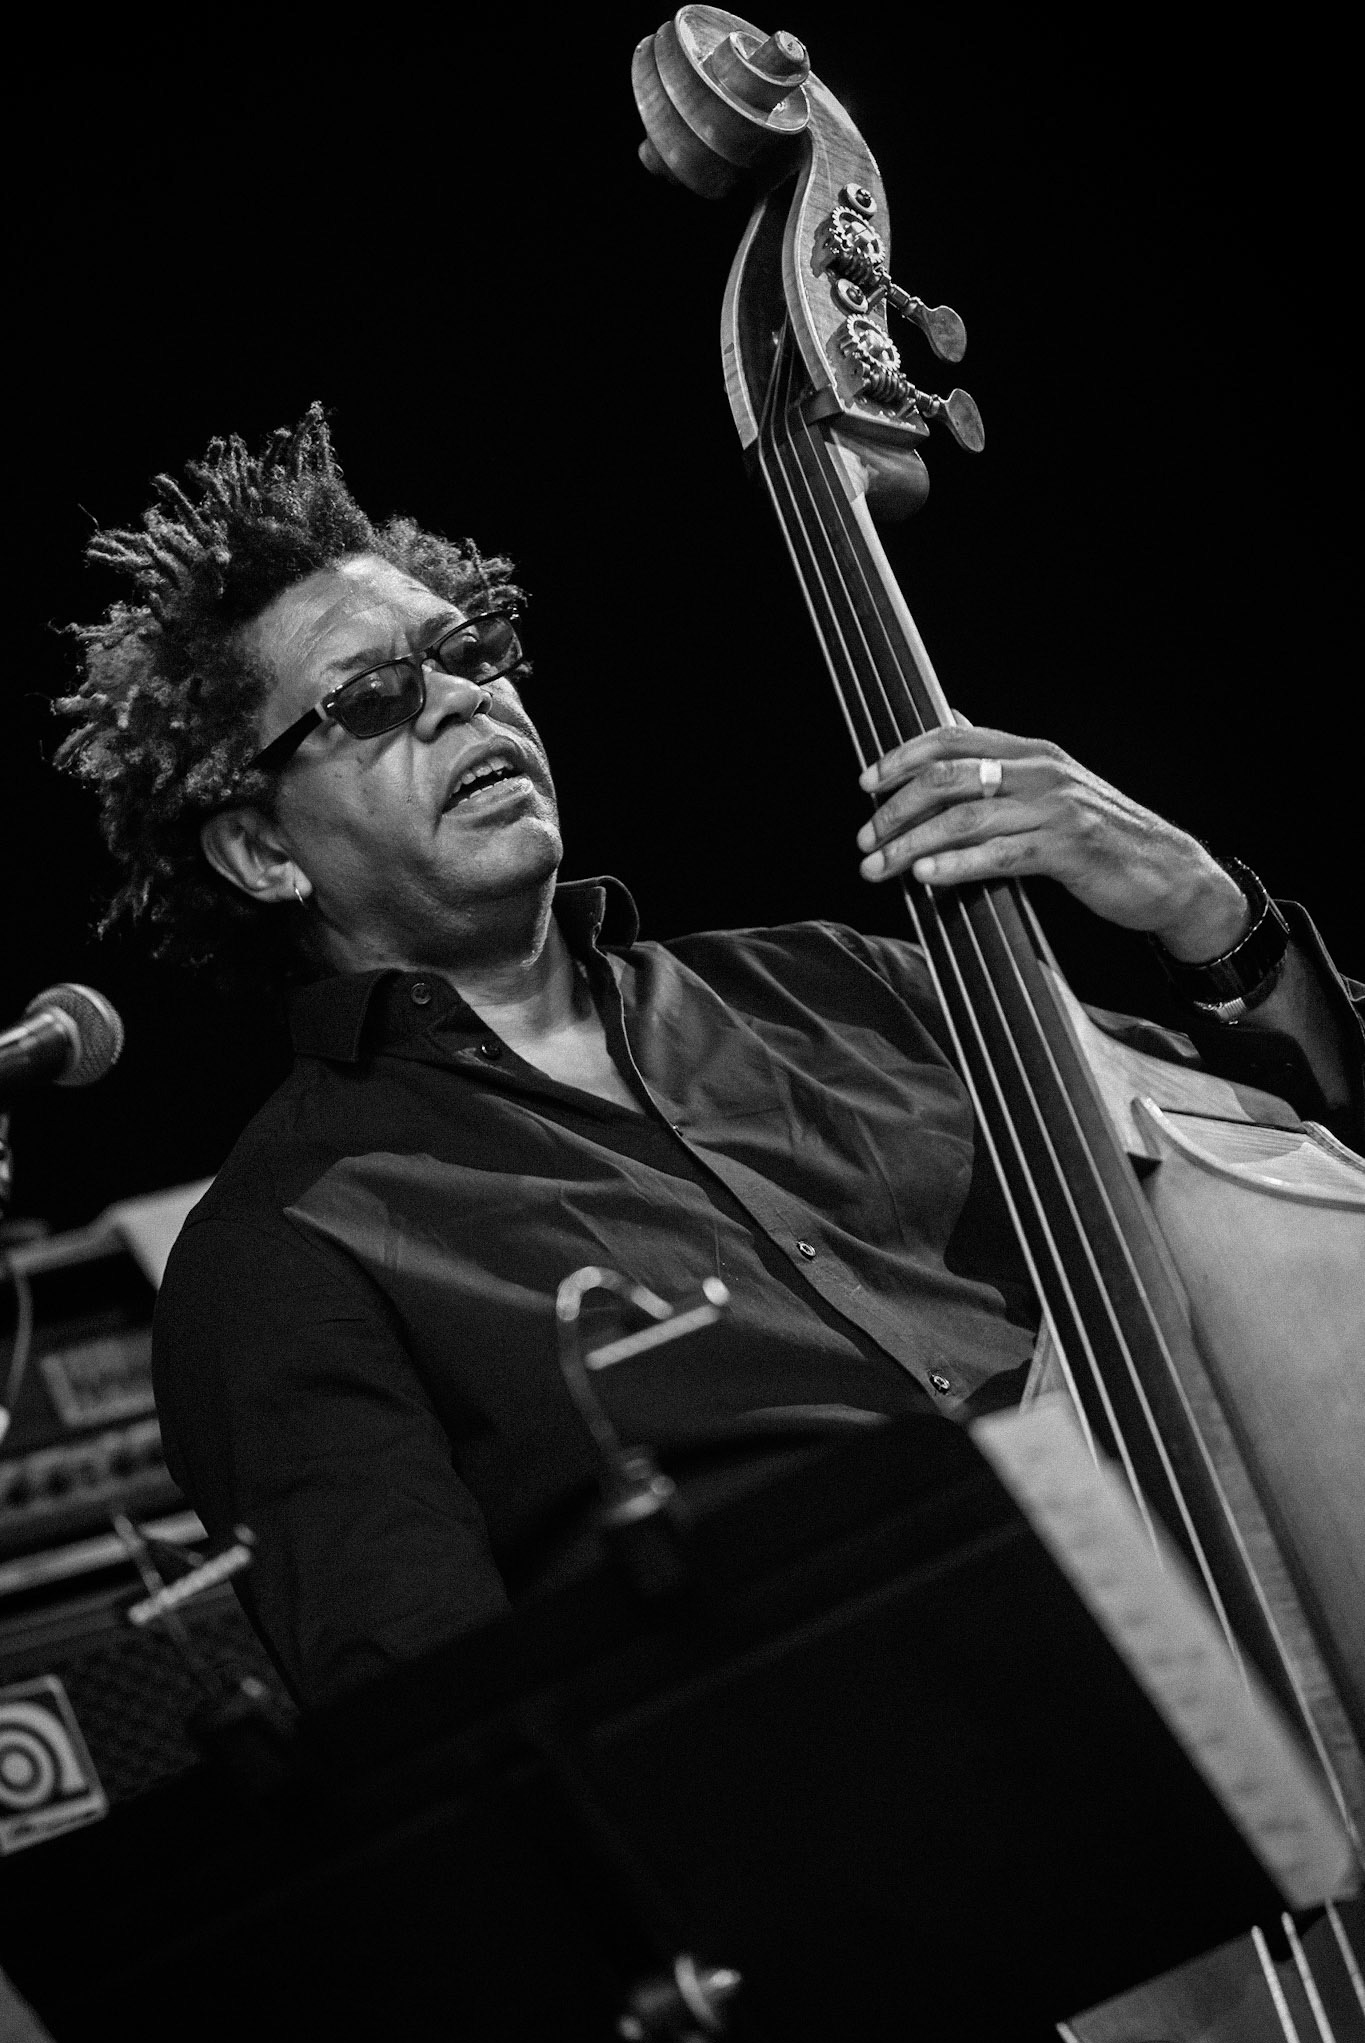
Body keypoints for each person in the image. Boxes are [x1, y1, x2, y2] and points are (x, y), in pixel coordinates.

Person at [56, 407, 1362, 1711]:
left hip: (1257, 1684)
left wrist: (1211, 922)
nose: (462, 701)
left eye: (470, 655)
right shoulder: (282, 1249)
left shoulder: (855, 984)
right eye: (374, 698)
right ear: (260, 852)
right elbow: (452, 1738)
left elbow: (1292, 1198)